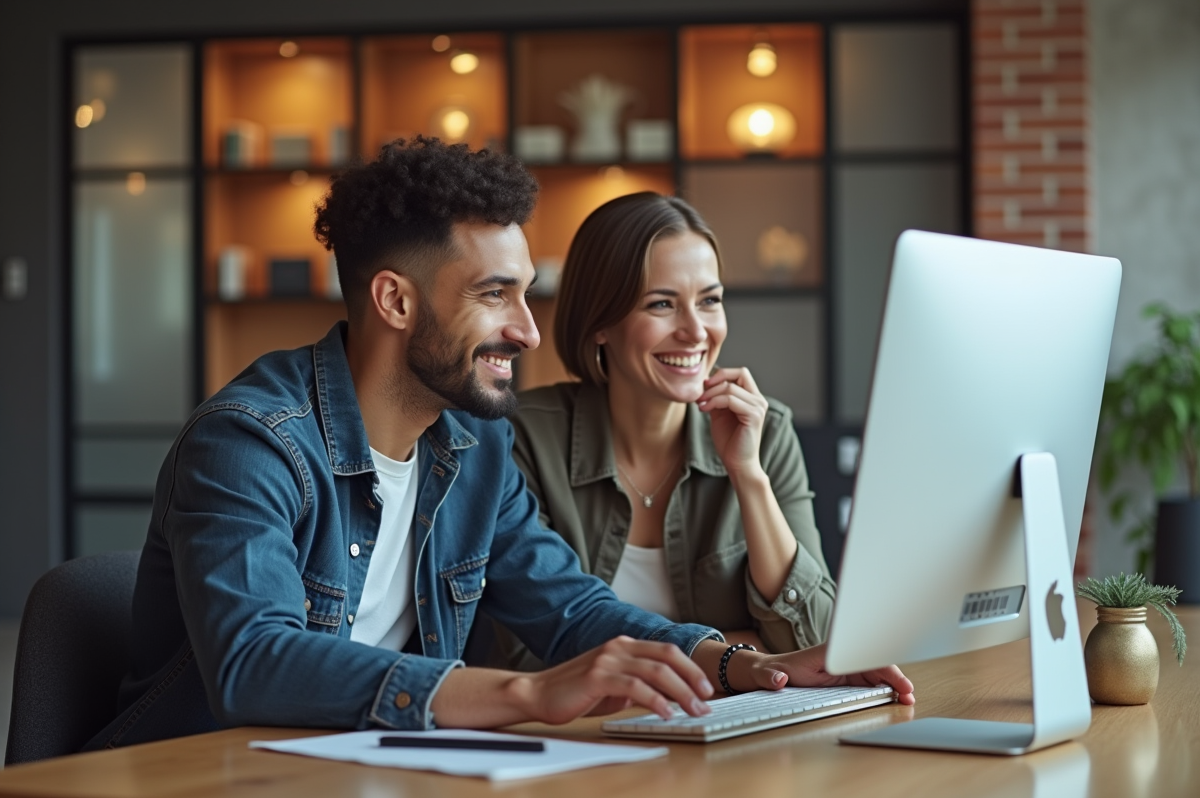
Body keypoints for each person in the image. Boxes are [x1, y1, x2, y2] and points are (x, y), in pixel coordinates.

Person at [87, 140, 912, 750]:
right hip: (206, 776)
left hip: (366, 767)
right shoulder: (250, 443)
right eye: (493, 295)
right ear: (395, 301)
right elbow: (254, 664)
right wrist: (527, 691)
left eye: (526, 293)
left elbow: (572, 610)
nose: (525, 329)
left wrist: (749, 668)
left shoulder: (471, 449)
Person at [485, 193, 832, 672]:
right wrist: (737, 650)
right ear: (601, 322)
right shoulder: (522, 440)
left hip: (733, 728)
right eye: (662, 304)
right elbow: (527, 652)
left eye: (709, 301)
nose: (695, 331)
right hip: (581, 736)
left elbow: (814, 642)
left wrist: (748, 475)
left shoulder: (765, 431)